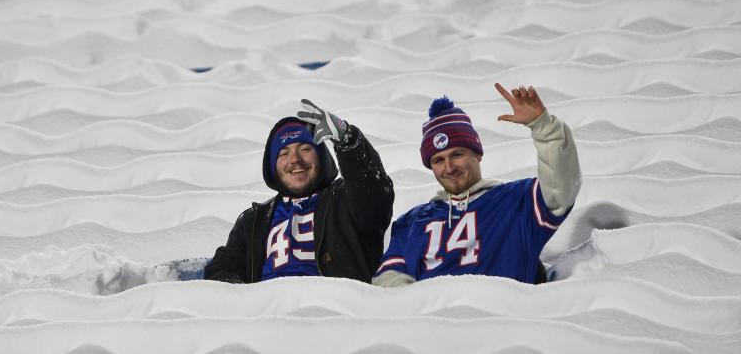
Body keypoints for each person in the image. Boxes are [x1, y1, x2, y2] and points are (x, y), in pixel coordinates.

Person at [373, 83, 580, 286]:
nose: (449, 167)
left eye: (457, 154)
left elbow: (561, 187)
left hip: (502, 315)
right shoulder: (411, 222)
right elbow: (389, 279)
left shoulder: (518, 201)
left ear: (477, 154)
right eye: (438, 160)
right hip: (434, 317)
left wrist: (543, 127)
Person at [204, 99, 395, 283]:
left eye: (305, 149)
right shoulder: (253, 221)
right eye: (284, 153)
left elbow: (374, 194)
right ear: (272, 166)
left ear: (322, 158)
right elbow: (223, 268)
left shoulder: (345, 200)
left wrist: (349, 140)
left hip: (337, 307)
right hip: (270, 309)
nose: (295, 160)